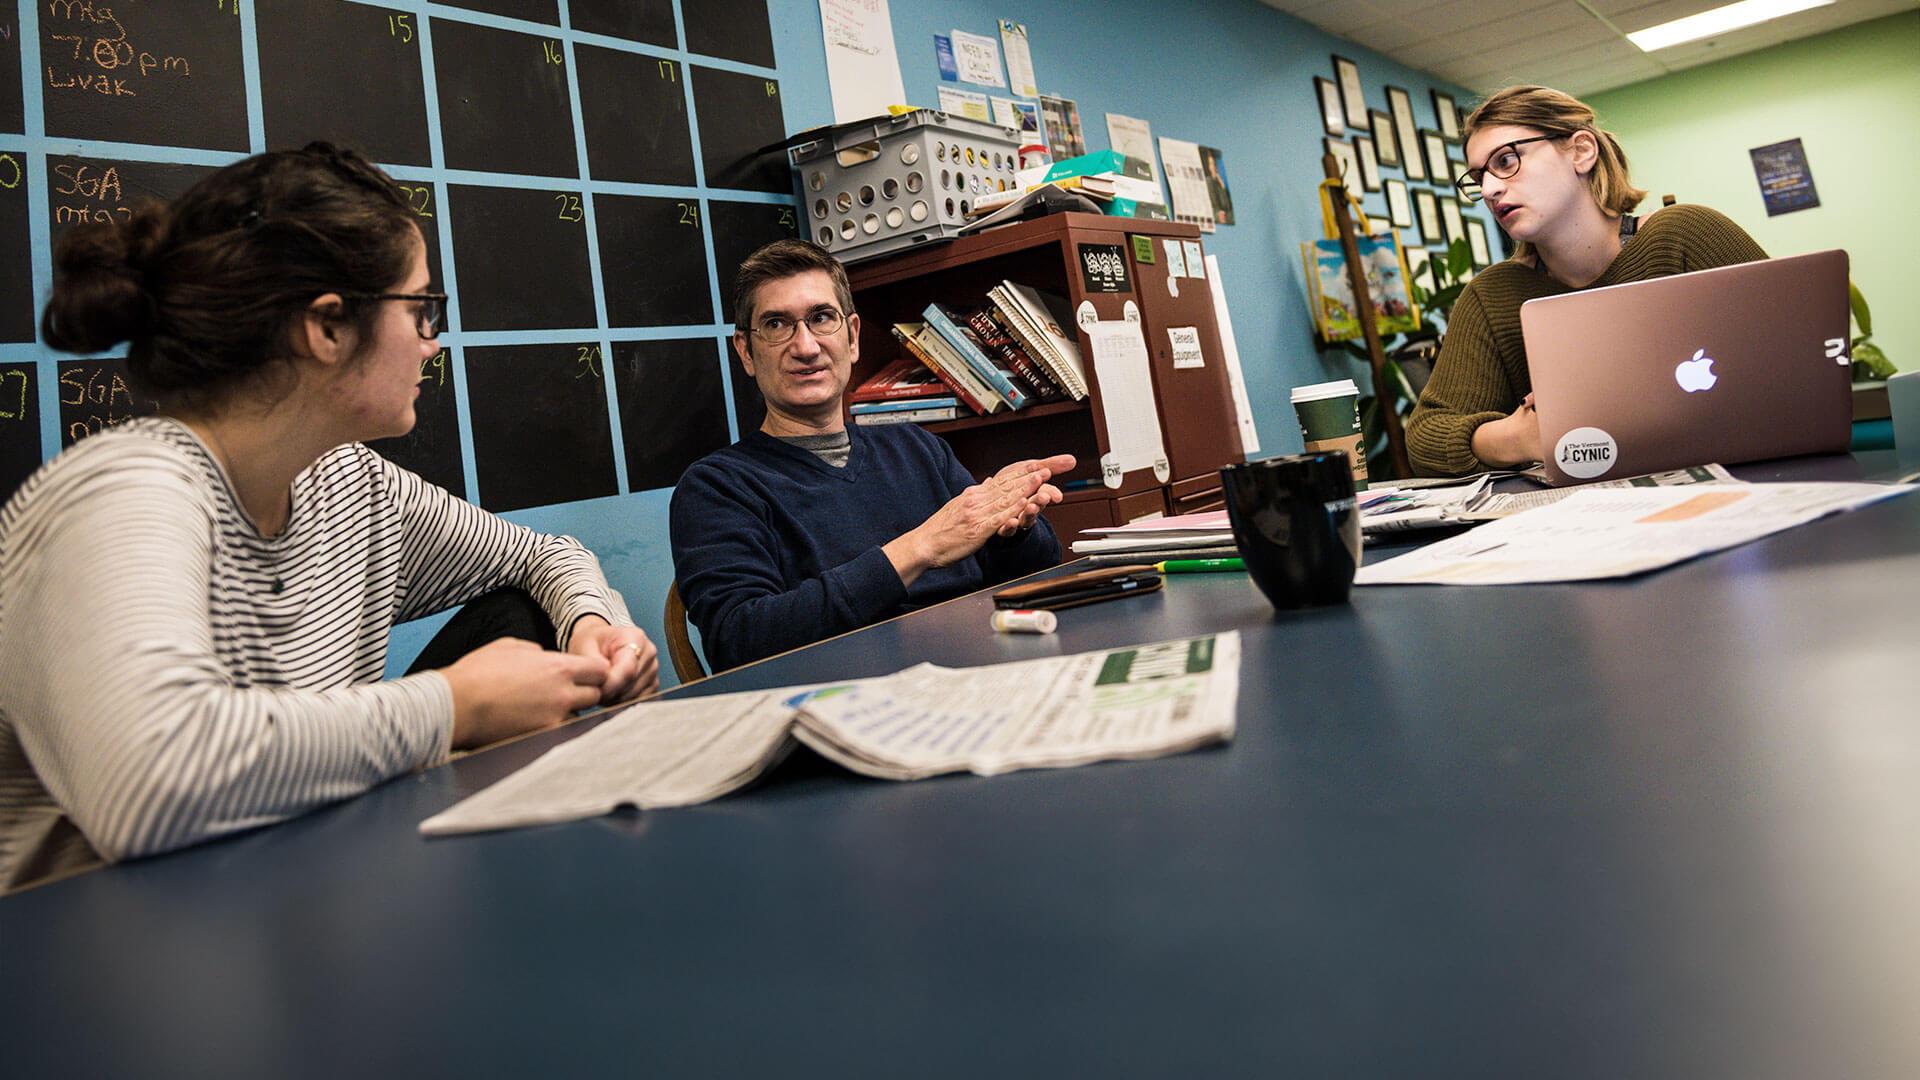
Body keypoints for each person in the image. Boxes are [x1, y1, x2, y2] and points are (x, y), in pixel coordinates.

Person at [0, 144, 658, 891]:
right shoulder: (121, 493)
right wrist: (456, 704)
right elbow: (148, 782)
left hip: (289, 905)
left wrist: (590, 627)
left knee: (522, 612)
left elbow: (545, 557)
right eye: (420, 309)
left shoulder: (350, 483)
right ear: (328, 328)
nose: (431, 342)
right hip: (88, 960)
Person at [670, 239, 1073, 673]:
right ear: (746, 352)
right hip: (847, 707)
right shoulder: (716, 488)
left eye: (822, 318)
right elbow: (738, 641)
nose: (805, 346)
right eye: (776, 325)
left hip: (982, 675)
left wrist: (1013, 530)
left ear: (853, 337)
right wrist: (918, 548)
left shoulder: (918, 449)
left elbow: (1037, 571)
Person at [1405, 85, 1769, 476]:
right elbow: (1426, 437)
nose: (1490, 189)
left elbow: (1801, 354)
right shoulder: (1493, 295)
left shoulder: (1685, 235)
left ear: (1581, 151)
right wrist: (1522, 437)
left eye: (1507, 161)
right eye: (1479, 177)